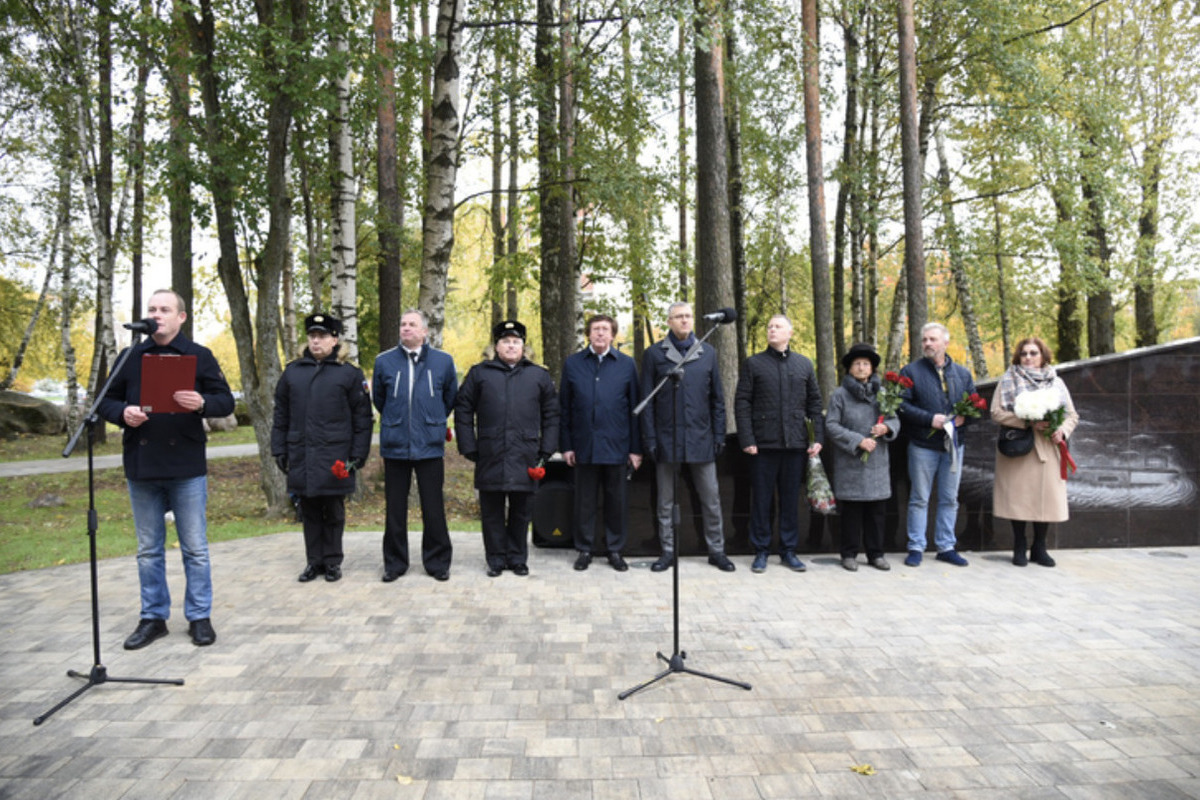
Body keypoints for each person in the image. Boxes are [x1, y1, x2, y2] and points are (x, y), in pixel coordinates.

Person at [98, 288, 235, 650]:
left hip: (185, 464)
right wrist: (122, 414)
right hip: (142, 464)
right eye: (152, 309)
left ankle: (199, 616)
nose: (156, 314)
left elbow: (225, 401)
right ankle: (153, 617)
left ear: (181, 317)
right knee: (148, 548)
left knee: (195, 547)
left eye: (164, 309)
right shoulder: (131, 356)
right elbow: (104, 401)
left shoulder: (199, 356)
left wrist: (202, 402)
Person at [271, 313, 374, 583]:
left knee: (334, 510)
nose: (316, 341)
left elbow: (363, 418)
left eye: (322, 336)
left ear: (335, 339)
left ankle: (332, 561)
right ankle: (313, 562)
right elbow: (281, 413)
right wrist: (278, 448)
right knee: (309, 510)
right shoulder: (293, 372)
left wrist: (358, 455)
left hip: (335, 455)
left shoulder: (348, 374)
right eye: (312, 336)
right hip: (302, 453)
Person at [455, 320, 559, 577]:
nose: (511, 346)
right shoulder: (479, 373)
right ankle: (496, 559)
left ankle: (517, 558)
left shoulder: (538, 375)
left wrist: (546, 450)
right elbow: (463, 409)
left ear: (524, 347)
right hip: (490, 453)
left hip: (526, 454)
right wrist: (468, 445)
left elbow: (552, 414)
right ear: (496, 346)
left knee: (521, 512)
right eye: (505, 341)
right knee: (491, 512)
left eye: (516, 341)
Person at [640, 301, 734, 572]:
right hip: (666, 439)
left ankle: (716, 550)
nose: (684, 320)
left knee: (711, 498)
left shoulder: (707, 352)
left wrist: (719, 435)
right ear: (668, 322)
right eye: (678, 316)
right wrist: (650, 439)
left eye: (688, 316)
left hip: (701, 438)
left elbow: (717, 399)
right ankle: (667, 551)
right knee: (665, 502)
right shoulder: (654, 354)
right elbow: (646, 401)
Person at [373, 309, 458, 582]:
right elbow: (380, 399)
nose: (406, 328)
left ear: (424, 331)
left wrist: (431, 420)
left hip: (430, 444)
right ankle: (395, 564)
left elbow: (449, 397)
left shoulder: (443, 361)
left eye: (412, 324)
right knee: (395, 509)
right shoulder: (384, 361)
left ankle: (437, 563)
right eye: (402, 324)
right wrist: (398, 420)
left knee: (433, 507)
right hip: (395, 444)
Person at [734, 314, 823, 573]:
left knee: (789, 500)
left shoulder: (804, 365)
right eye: (769, 326)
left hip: (795, 445)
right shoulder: (753, 364)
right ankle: (760, 550)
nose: (772, 330)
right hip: (763, 446)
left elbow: (815, 404)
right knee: (761, 501)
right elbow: (742, 402)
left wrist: (816, 438)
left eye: (778, 326)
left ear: (790, 333)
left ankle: (788, 550)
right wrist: (747, 439)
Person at [559, 314, 643, 572]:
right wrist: (566, 445)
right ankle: (584, 549)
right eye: (595, 329)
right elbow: (564, 408)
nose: (600, 334)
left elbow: (635, 409)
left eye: (605, 329)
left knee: (616, 502)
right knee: (584, 501)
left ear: (613, 335)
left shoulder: (626, 365)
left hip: (617, 446)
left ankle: (615, 550)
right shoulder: (573, 364)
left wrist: (636, 449)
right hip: (584, 446)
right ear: (588, 333)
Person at [990, 337, 1079, 567]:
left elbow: (1072, 415)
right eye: (1024, 354)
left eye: (1033, 353)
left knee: (1045, 499)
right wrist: (1027, 422)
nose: (1028, 358)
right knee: (1019, 499)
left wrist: (1062, 430)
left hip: (1048, 449)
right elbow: (996, 413)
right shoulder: (1009, 379)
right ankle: (1019, 546)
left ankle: (1039, 547)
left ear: (1043, 356)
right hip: (1019, 448)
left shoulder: (1056, 382)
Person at [897, 322, 977, 567]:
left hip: (954, 445)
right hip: (922, 445)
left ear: (945, 342)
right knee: (919, 497)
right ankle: (916, 546)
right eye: (924, 340)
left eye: (932, 339)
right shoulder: (910, 371)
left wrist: (966, 416)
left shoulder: (962, 374)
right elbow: (901, 406)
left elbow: (974, 404)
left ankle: (946, 546)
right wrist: (930, 419)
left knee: (949, 498)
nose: (927, 344)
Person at [825, 342, 899, 571]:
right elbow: (831, 425)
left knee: (876, 513)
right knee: (852, 513)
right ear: (849, 369)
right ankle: (848, 554)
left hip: (876, 464)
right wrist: (858, 440)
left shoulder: (884, 394)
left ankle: (876, 554)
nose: (861, 367)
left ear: (872, 369)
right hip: (851, 463)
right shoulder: (840, 395)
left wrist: (886, 428)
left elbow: (895, 419)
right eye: (857, 364)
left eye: (865, 364)